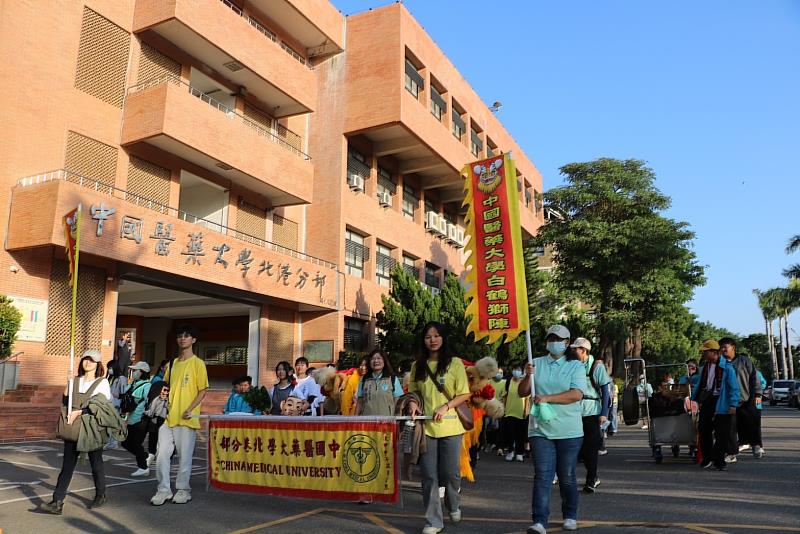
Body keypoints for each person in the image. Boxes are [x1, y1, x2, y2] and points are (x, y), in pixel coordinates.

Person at [518, 325, 586, 534]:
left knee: (566, 476)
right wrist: (527, 376)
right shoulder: (536, 363)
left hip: (569, 430)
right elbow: (522, 392)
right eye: (551, 338)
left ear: (567, 343)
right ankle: (539, 520)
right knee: (543, 475)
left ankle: (570, 515)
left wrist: (548, 398)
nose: (554, 342)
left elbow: (576, 394)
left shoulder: (575, 366)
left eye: (559, 339)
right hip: (540, 429)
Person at [405, 322, 470, 534]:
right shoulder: (418, 366)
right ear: (423, 341)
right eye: (428, 336)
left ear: (443, 338)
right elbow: (413, 392)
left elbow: (464, 393)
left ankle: (453, 504)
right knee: (429, 476)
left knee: (450, 473)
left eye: (436, 335)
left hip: (451, 427)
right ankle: (434, 521)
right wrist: (413, 405)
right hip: (426, 428)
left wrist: (446, 406)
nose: (432, 340)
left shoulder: (455, 363)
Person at [42, 350, 113, 515]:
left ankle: (100, 494)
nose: (88, 363)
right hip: (74, 428)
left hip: (92, 428)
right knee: (67, 466)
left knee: (96, 464)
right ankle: (57, 501)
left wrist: (80, 412)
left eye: (92, 360)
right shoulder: (75, 381)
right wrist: (68, 384)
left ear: (98, 364)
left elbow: (101, 406)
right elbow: (66, 402)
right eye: (85, 359)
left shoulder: (102, 383)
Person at [151, 324, 208, 506]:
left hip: (187, 418)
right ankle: (164, 489)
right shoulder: (173, 364)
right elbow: (166, 386)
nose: (182, 338)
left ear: (194, 340)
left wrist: (190, 409)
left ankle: (183, 490)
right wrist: (162, 395)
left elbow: (202, 390)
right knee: (161, 454)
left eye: (186, 335)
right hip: (169, 417)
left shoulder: (198, 364)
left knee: (185, 456)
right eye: (180, 336)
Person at [691, 340, 740, 471]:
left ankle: (719, 461)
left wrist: (733, 404)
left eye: (706, 352)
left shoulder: (727, 367)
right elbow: (702, 383)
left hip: (722, 402)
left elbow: (734, 387)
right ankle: (707, 458)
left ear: (714, 352)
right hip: (708, 401)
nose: (703, 354)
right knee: (703, 429)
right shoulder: (705, 367)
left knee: (721, 433)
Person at [571, 338, 611, 494]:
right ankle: (592, 475)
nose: (573, 351)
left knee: (591, 448)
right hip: (575, 412)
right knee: (577, 449)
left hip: (592, 412)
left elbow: (605, 391)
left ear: (584, 350)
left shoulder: (596, 367)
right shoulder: (573, 366)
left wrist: (604, 414)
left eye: (576, 349)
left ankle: (591, 480)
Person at [719, 337, 763, 460]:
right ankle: (732, 453)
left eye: (725, 347)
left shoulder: (744, 361)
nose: (723, 350)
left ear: (733, 348)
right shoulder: (720, 363)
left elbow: (755, 377)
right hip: (728, 401)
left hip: (746, 398)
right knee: (730, 427)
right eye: (721, 348)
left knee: (752, 423)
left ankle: (756, 445)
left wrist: (757, 394)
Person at [121, 361, 153, 477]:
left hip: (141, 420)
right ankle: (143, 456)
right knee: (125, 443)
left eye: (135, 370)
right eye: (133, 370)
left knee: (136, 443)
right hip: (130, 419)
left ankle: (143, 467)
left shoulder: (147, 386)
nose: (133, 372)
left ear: (143, 372)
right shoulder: (133, 384)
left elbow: (149, 403)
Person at [356, 349, 404, 416]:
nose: (376, 361)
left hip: (387, 422)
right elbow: (359, 402)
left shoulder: (392, 379)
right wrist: (355, 419)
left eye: (379, 358)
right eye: (373, 359)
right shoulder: (364, 380)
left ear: (384, 361)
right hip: (367, 422)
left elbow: (398, 402)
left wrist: (398, 419)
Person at [499, 365, 528, 462]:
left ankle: (519, 453)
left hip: (521, 412)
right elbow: (504, 397)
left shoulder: (524, 382)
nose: (517, 372)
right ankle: (510, 452)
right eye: (515, 370)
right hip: (509, 411)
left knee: (520, 433)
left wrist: (526, 410)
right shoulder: (508, 382)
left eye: (519, 370)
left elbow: (527, 398)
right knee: (510, 433)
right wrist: (503, 409)